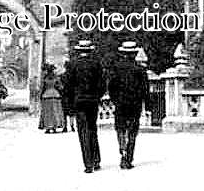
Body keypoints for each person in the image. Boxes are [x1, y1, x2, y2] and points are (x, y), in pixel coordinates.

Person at [62, 39, 104, 173]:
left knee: (83, 131)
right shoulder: (96, 64)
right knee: (92, 128)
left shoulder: (72, 65)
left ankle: (88, 163)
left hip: (79, 101)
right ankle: (96, 160)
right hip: (93, 101)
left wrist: (69, 102)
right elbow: (102, 84)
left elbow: (68, 86)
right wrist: (98, 96)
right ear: (90, 50)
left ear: (79, 51)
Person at [106, 40, 149, 170]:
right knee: (132, 130)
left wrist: (115, 100)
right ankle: (128, 157)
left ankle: (123, 150)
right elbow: (145, 89)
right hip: (135, 104)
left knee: (120, 128)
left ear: (123, 53)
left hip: (120, 104)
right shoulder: (140, 69)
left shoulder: (116, 68)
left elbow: (111, 86)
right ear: (135, 53)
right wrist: (146, 105)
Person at [37, 63, 66, 133]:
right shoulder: (56, 78)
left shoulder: (45, 78)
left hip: (46, 95)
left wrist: (40, 95)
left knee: (47, 112)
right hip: (55, 95)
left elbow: (42, 88)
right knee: (55, 112)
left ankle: (47, 127)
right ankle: (54, 126)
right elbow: (60, 87)